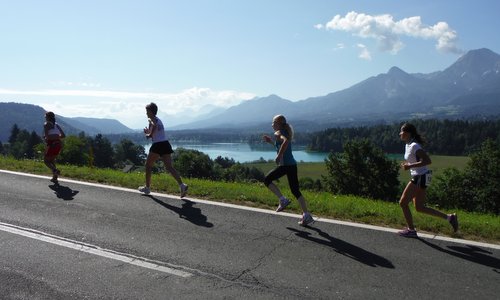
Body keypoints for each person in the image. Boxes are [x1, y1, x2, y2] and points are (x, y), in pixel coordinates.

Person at [398, 123, 458, 237]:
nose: (400, 133)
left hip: (420, 177)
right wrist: (409, 164)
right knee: (419, 207)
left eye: (402, 131)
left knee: (403, 202)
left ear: (408, 133)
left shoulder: (414, 146)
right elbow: (417, 161)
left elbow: (427, 160)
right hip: (423, 176)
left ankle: (411, 230)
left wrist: (409, 166)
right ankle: (450, 218)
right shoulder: (408, 145)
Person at [263, 114, 314, 226]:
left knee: (267, 180)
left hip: (285, 165)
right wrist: (271, 142)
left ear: (279, 124)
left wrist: (279, 156)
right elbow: (281, 145)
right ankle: (306, 215)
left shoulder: (279, 133)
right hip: (292, 165)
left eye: (273, 122)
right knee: (295, 191)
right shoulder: (283, 132)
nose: (272, 125)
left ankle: (283, 200)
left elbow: (285, 142)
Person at [138, 102, 188, 198]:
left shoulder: (152, 120)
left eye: (147, 111)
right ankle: (182, 185)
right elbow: (154, 132)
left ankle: (147, 188)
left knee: (148, 165)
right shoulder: (157, 120)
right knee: (169, 167)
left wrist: (148, 134)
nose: (146, 113)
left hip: (158, 145)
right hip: (165, 144)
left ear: (151, 111)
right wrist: (148, 132)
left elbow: (152, 131)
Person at [43, 111, 65, 184]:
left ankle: (55, 170)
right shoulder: (56, 125)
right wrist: (56, 136)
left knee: (46, 161)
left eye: (45, 116)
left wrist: (46, 138)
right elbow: (63, 135)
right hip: (58, 144)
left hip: (51, 144)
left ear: (48, 117)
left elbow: (47, 136)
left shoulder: (46, 124)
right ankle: (55, 178)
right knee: (52, 160)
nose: (45, 118)